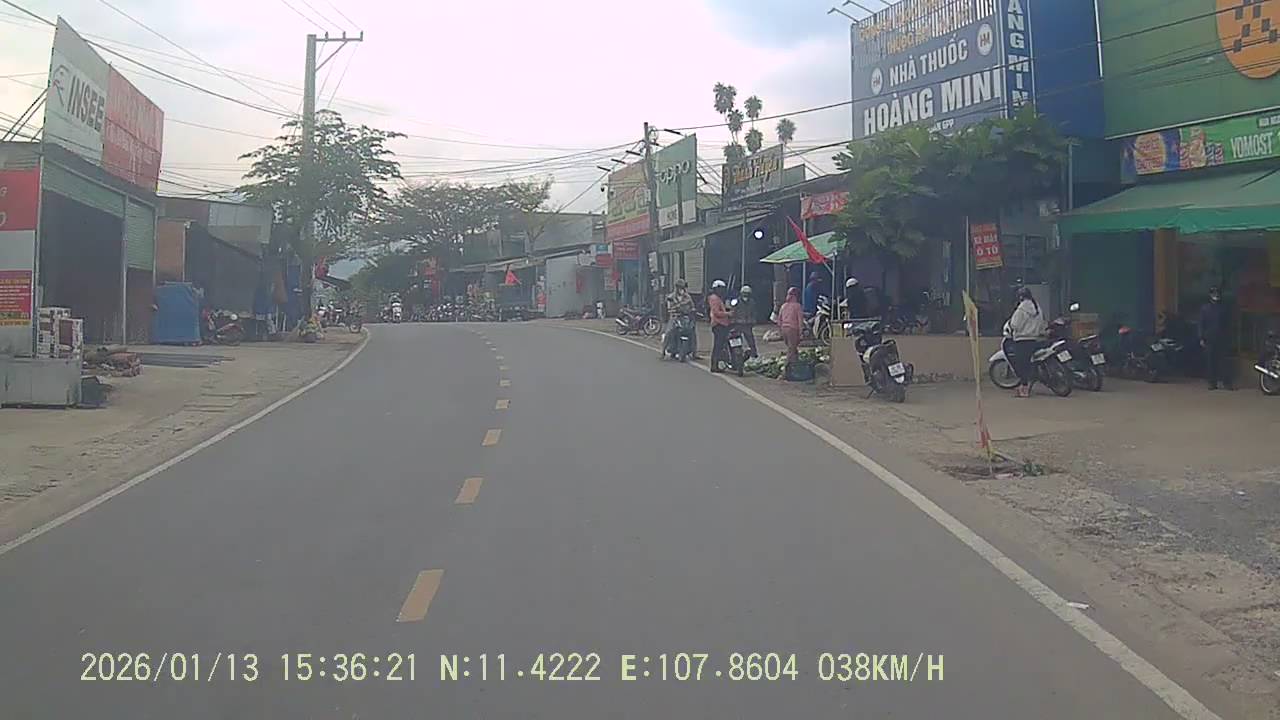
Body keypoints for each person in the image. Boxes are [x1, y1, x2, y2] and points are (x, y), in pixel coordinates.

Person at [1006, 286, 1047, 397]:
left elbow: (1015, 325)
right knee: (1028, 363)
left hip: (1022, 340)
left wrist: (1010, 325)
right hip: (1034, 339)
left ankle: (1024, 389)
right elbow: (1042, 323)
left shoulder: (1022, 309)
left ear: (1020, 297)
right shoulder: (1037, 308)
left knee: (1021, 365)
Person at [1199, 286, 1233, 390]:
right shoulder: (1205, 308)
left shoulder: (1224, 308)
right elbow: (1201, 324)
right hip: (1209, 338)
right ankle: (1212, 383)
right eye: (1214, 293)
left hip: (1222, 338)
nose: (1216, 295)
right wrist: (1201, 338)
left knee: (1223, 361)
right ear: (1210, 295)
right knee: (1210, 362)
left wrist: (1229, 337)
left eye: (1217, 293)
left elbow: (1228, 324)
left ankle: (1226, 383)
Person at [664, 278, 698, 359]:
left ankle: (694, 353)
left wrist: (693, 310)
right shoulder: (671, 297)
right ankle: (663, 350)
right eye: (680, 287)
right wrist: (672, 309)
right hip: (675, 317)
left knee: (692, 332)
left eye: (683, 288)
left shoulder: (687, 297)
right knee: (669, 332)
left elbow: (692, 306)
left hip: (686, 317)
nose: (682, 289)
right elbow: (669, 307)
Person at [707, 279, 733, 372]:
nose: (722, 290)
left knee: (720, 345)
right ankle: (714, 365)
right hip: (718, 324)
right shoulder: (714, 298)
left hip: (723, 324)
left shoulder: (718, 298)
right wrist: (728, 314)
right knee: (718, 346)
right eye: (721, 288)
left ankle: (718, 364)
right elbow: (716, 312)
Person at [777, 287, 805, 366]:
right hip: (793, 330)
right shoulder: (797, 306)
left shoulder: (783, 306)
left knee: (792, 347)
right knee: (791, 350)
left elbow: (779, 320)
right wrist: (801, 332)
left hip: (784, 329)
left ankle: (795, 362)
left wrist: (780, 331)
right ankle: (788, 367)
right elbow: (800, 320)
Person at [733, 285, 758, 358]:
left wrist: (753, 321)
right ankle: (736, 355)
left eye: (747, 293)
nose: (745, 295)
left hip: (748, 324)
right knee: (737, 341)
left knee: (751, 341)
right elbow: (733, 311)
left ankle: (753, 354)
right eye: (744, 293)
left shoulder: (752, 302)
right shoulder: (736, 301)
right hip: (738, 324)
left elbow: (754, 312)